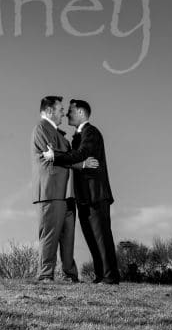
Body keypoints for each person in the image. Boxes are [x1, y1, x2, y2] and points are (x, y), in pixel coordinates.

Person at [44, 99, 120, 284]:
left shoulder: (90, 133)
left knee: (101, 237)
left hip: (96, 195)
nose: (67, 114)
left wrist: (56, 156)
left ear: (79, 112)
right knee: (92, 238)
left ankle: (110, 277)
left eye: (69, 111)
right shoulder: (78, 136)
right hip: (84, 197)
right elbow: (79, 159)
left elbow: (81, 154)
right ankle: (101, 275)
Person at [31, 95, 100, 282]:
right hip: (51, 192)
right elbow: (54, 156)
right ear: (50, 111)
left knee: (68, 239)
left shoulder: (60, 135)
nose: (63, 112)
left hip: (67, 195)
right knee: (50, 236)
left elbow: (64, 158)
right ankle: (45, 275)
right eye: (61, 109)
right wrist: (77, 161)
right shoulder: (41, 128)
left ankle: (71, 276)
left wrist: (82, 164)